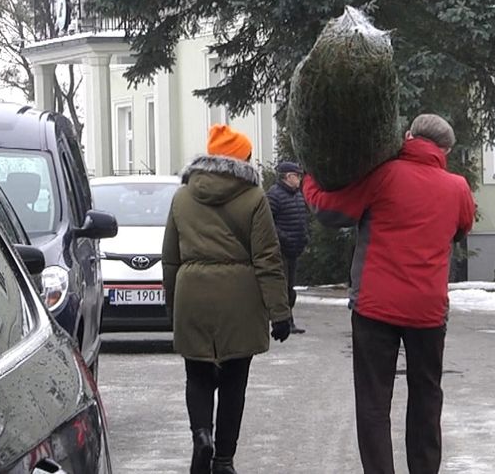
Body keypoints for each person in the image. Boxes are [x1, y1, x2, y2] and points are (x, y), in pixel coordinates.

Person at [302, 114, 476, 474]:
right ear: (445, 150)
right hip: (428, 310)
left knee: (373, 401)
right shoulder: (458, 187)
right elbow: (461, 228)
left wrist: (310, 180)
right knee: (427, 396)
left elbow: (332, 212)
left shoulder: (382, 175)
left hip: (374, 307)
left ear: (409, 135)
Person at [163, 124, 293, 474]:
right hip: (240, 297)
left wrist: (171, 305)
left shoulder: (182, 197)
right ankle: (223, 459)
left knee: (198, 375)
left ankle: (201, 435)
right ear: (242, 160)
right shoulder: (254, 198)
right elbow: (267, 258)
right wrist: (279, 311)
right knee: (235, 381)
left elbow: (171, 257)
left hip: (192, 293)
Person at [266, 160, 310, 333]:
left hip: (294, 250)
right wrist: (284, 238)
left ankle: (289, 319)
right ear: (288, 176)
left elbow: (301, 219)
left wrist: (304, 236)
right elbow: (268, 223)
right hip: (281, 250)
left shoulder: (298, 195)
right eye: (297, 176)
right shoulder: (274, 195)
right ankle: (282, 320)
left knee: (290, 286)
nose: (300, 179)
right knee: (282, 287)